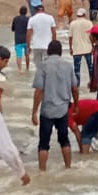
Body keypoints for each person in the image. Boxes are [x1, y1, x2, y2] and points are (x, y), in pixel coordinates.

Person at [32, 39, 78, 171]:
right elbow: (75, 88)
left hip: (47, 110)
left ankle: (42, 172)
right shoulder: (68, 66)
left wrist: (34, 112)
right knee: (64, 140)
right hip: (63, 109)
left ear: (48, 51)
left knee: (43, 144)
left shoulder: (43, 66)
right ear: (60, 52)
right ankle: (68, 168)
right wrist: (76, 105)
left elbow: (39, 90)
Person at [68, 7, 94, 84]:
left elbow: (70, 37)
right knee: (90, 67)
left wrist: (70, 48)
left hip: (77, 49)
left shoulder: (72, 23)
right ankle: (92, 83)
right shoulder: (89, 23)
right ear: (84, 14)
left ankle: (77, 85)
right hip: (87, 48)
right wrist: (93, 46)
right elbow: (92, 36)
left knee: (77, 70)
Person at [11, 5, 30, 71]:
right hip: (26, 39)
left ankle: (20, 70)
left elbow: (12, 29)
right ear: (26, 12)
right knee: (27, 54)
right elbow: (29, 30)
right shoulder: (28, 19)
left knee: (19, 55)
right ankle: (27, 68)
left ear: (19, 11)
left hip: (18, 40)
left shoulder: (15, 19)